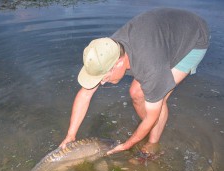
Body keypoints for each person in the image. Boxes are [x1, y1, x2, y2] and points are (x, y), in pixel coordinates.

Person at [59, 8, 210, 157]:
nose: (103, 84)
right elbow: (85, 94)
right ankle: (149, 128)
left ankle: (152, 145)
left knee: (157, 100)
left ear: (118, 63)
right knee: (137, 93)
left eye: (104, 78)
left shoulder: (151, 68)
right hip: (160, 36)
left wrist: (126, 145)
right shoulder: (106, 52)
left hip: (193, 38)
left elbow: (152, 114)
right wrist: (70, 135)